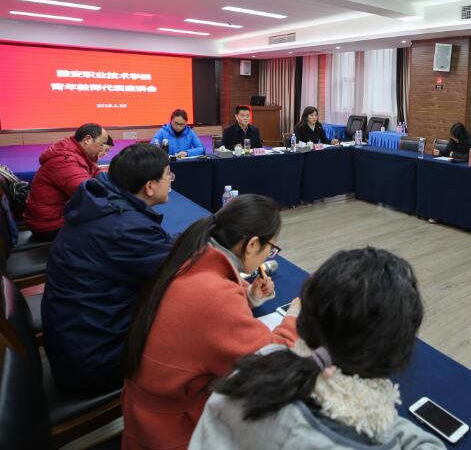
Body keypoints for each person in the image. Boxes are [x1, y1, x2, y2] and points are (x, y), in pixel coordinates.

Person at [189, 247, 445, 450]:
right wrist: (387, 424)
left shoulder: (256, 365)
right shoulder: (369, 438)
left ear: (305, 321)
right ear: (395, 356)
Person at [121, 194, 298, 450]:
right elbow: (270, 365)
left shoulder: (192, 252)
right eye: (271, 249)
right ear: (252, 244)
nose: (268, 256)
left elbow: (204, 318)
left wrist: (249, 297)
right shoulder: (214, 295)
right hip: (170, 431)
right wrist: (294, 318)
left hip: (146, 409)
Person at [41, 143, 175, 393]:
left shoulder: (102, 201)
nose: (172, 180)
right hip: (95, 359)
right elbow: (176, 273)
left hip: (77, 336)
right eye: (169, 175)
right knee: (191, 330)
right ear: (149, 187)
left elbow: (157, 251)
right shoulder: (125, 227)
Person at [24, 122, 108, 240]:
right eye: (102, 144)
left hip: (57, 216)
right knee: (112, 222)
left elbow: (95, 172)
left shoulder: (75, 153)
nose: (103, 149)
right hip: (49, 225)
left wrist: (113, 177)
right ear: (87, 140)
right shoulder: (65, 160)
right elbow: (87, 194)